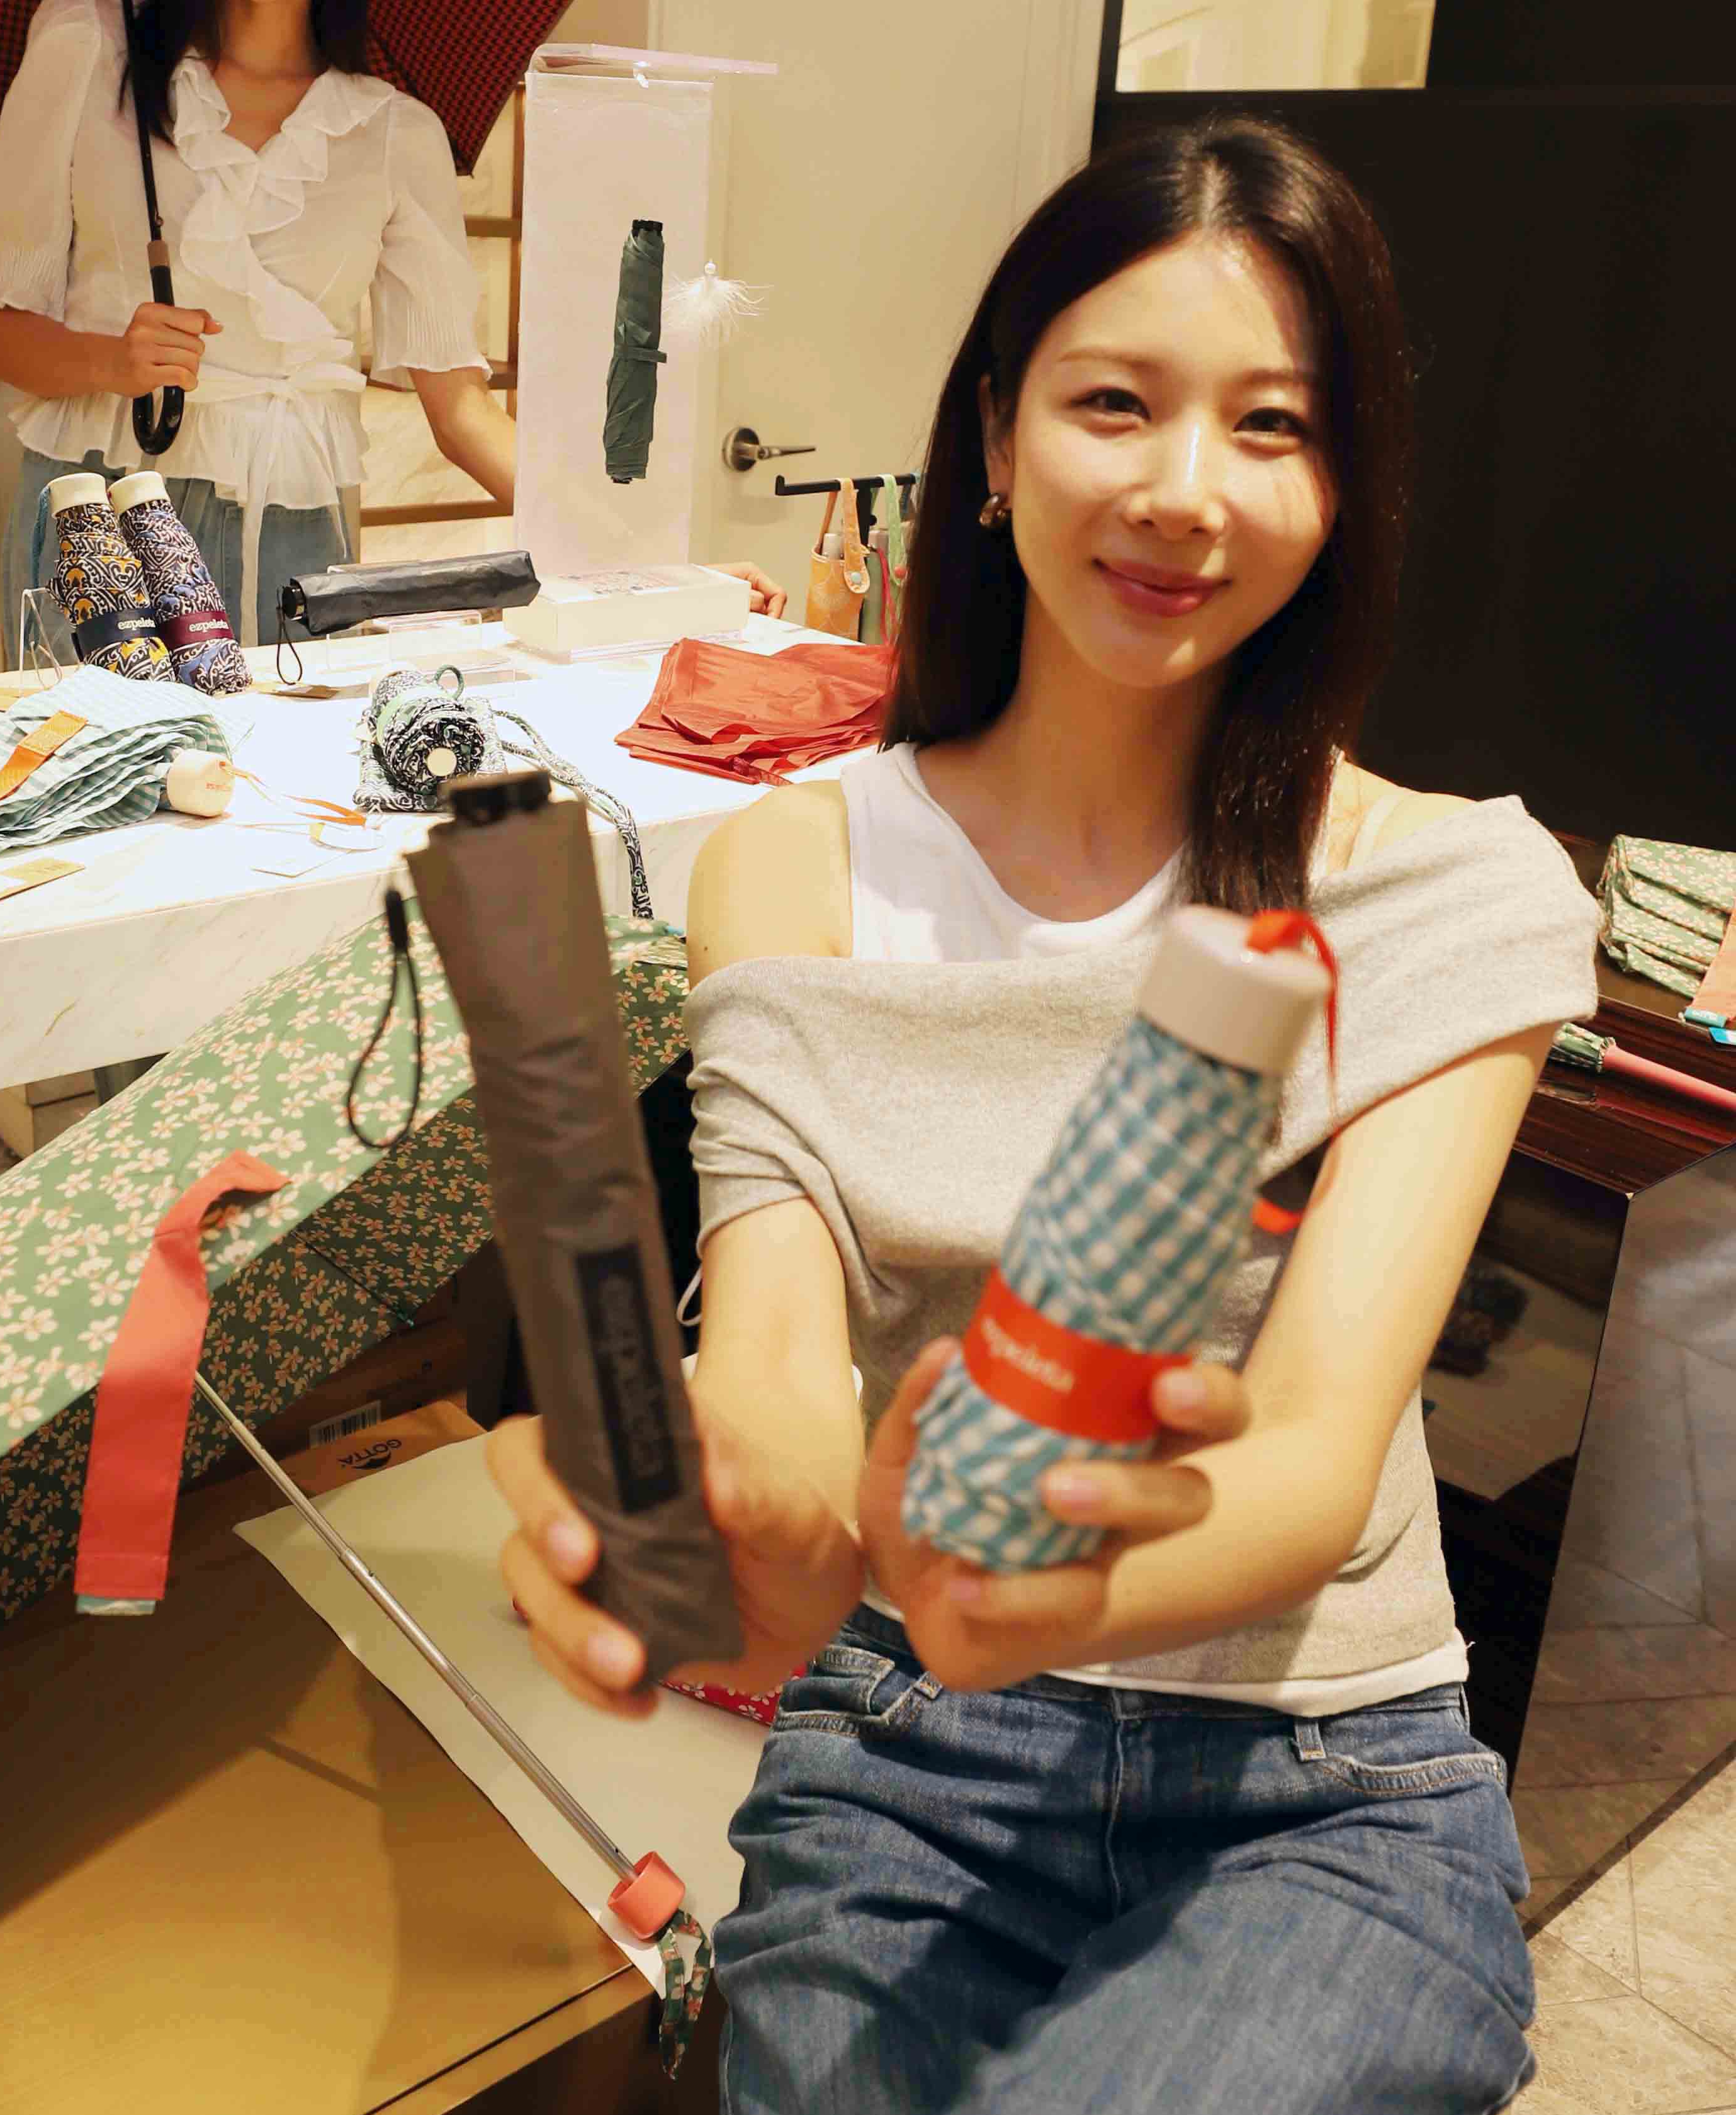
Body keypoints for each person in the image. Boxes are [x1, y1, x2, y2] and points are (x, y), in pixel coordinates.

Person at [488, 115, 1598, 2113]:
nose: (1186, 489)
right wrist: (741, 1519)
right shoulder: (796, 862)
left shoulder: (1450, 891)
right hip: (909, 1760)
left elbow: (1313, 1460)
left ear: (1344, 489)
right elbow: (779, 1357)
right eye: (1115, 404)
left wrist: (999, 1582)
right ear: (994, 440)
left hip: (1320, 1785)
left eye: (1273, 426)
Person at [0, 0, 784, 652]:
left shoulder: (394, 134)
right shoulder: (87, 51)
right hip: (102, 532)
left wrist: (656, 566)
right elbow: (1, 333)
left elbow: (462, 412)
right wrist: (111, 363)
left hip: (296, 540)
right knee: (104, 753)